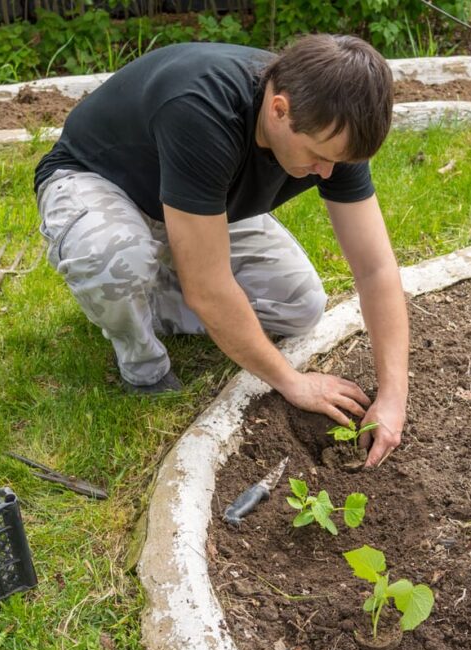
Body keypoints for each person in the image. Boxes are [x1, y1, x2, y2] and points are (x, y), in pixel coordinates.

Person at [34, 34, 407, 467]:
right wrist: (293, 382)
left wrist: (392, 397)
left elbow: (376, 269)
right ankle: (142, 360)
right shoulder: (203, 110)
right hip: (97, 183)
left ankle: (150, 286)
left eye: (337, 162)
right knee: (116, 263)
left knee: (300, 305)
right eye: (317, 157)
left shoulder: (333, 130)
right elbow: (208, 288)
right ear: (279, 109)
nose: (326, 173)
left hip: (197, 204)